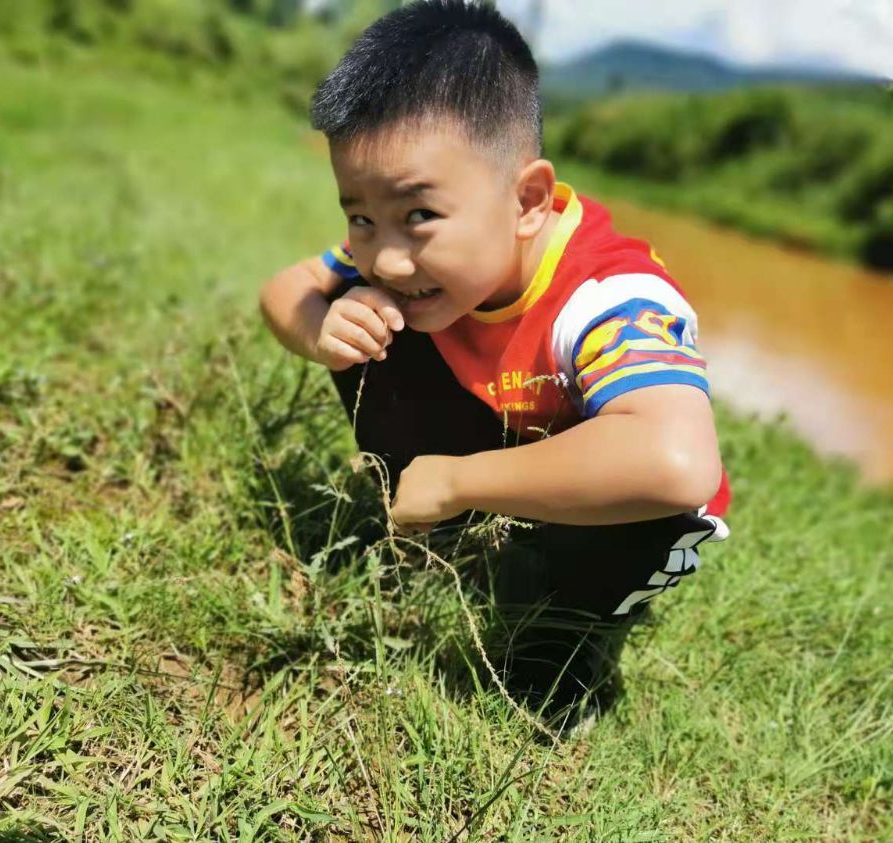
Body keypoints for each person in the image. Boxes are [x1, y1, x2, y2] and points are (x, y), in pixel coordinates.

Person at [258, 0, 730, 729]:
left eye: (418, 216)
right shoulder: (400, 259)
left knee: (642, 525)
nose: (385, 251)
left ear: (527, 201)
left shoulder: (607, 295)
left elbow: (675, 463)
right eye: (360, 216)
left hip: (601, 503)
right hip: (503, 439)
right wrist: (323, 327)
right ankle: (432, 532)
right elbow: (283, 291)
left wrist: (456, 480)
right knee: (359, 306)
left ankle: (559, 643)